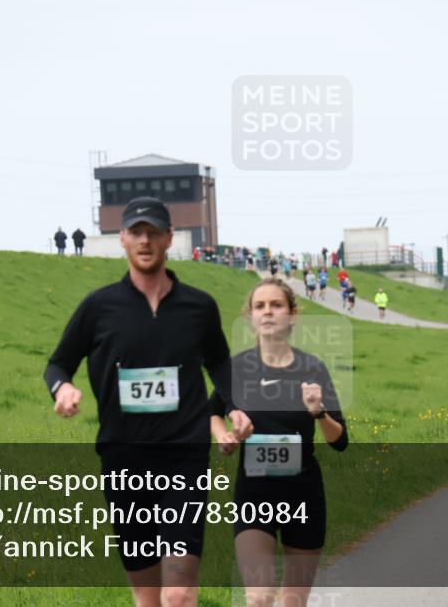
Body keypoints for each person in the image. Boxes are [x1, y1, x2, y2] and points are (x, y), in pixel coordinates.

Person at [43, 196, 253, 606]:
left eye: (153, 233)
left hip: (184, 458)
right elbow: (58, 364)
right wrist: (62, 389)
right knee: (147, 597)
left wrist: (234, 405)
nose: (145, 240)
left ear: (169, 239)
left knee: (178, 593)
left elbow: (220, 362)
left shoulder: (199, 306)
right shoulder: (99, 307)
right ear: (121, 238)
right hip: (124, 459)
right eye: (136, 232)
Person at [209, 278, 347, 607]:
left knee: (292, 602)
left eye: (276, 305)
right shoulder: (237, 368)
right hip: (254, 494)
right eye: (260, 306)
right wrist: (223, 436)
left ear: (292, 315)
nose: (267, 312)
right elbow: (211, 413)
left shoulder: (312, 368)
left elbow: (339, 440)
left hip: (304, 495)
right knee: (259, 597)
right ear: (250, 318)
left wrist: (318, 413)